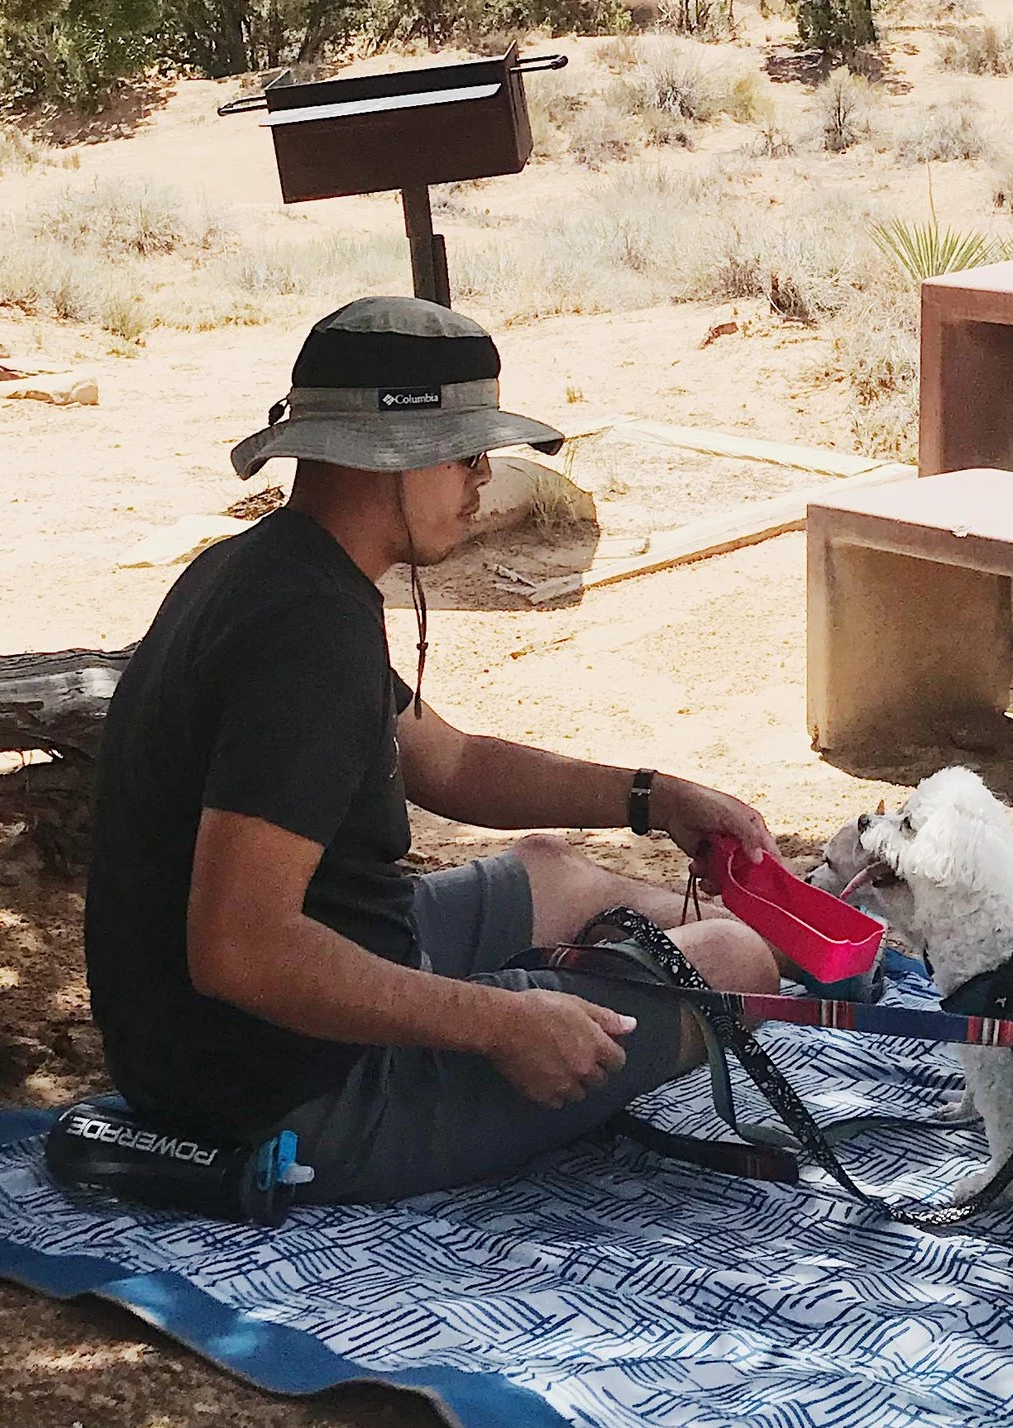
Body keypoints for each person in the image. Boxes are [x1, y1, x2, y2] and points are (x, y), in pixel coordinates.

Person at [85, 295, 781, 1203]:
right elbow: (240, 949)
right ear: (390, 453)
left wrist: (652, 795)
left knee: (556, 873)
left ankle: (768, 941)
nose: (484, 478)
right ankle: (755, 954)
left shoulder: (268, 568)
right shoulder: (308, 638)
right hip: (286, 1093)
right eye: (466, 453)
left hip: (213, 1034)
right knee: (736, 967)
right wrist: (501, 1021)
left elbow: (452, 763)